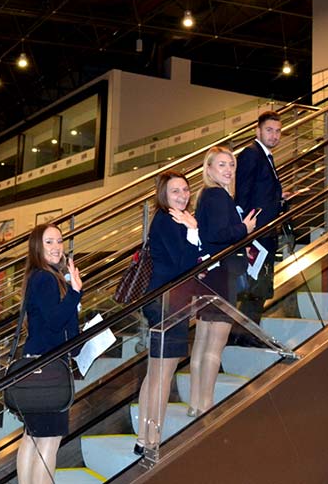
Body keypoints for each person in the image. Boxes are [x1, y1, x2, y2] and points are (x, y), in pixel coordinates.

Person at [134, 171, 201, 456]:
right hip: (168, 301)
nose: (182, 195)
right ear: (163, 194)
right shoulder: (170, 220)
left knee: (156, 373)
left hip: (164, 299)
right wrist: (193, 231)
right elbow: (183, 265)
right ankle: (152, 440)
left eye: (185, 189)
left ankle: (143, 438)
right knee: (162, 374)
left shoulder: (169, 219)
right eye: (175, 191)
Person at [190, 146, 258, 416]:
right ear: (208, 169)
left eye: (231, 165)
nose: (228, 170)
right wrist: (244, 228)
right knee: (214, 345)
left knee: (202, 341)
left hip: (209, 274)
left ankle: (195, 403)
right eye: (221, 165)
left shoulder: (206, 195)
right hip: (221, 275)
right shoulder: (218, 195)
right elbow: (219, 234)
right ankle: (205, 404)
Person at [16, 223, 81, 484]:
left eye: (59, 241)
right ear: (37, 247)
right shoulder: (45, 278)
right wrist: (75, 293)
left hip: (38, 364)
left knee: (32, 438)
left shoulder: (42, 276)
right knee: (49, 441)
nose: (56, 247)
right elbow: (55, 321)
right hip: (50, 368)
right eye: (49, 242)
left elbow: (54, 322)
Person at [234, 111, 293, 328]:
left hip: (264, 232)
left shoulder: (265, 155)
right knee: (255, 288)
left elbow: (258, 190)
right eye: (269, 130)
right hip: (257, 234)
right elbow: (243, 193)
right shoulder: (252, 154)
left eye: (278, 131)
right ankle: (244, 334)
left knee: (260, 287)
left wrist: (278, 197)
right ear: (257, 130)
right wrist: (245, 231)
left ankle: (247, 333)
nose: (274, 135)